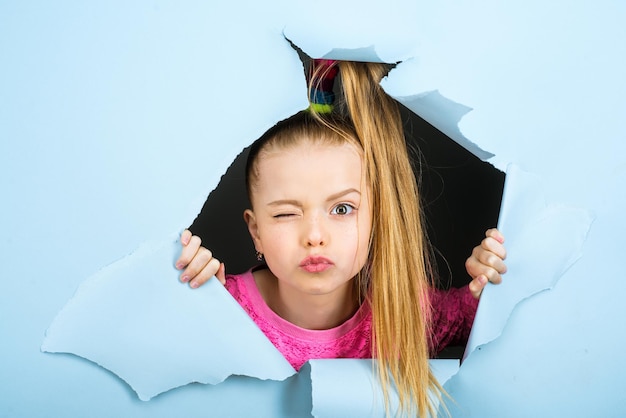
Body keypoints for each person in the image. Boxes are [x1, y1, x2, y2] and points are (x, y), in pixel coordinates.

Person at [175, 60, 507, 417]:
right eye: (287, 213)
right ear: (255, 230)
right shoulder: (226, 308)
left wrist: (486, 283)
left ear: (375, 219)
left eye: (343, 209)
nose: (315, 237)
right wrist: (188, 301)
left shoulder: (403, 312)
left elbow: (483, 321)